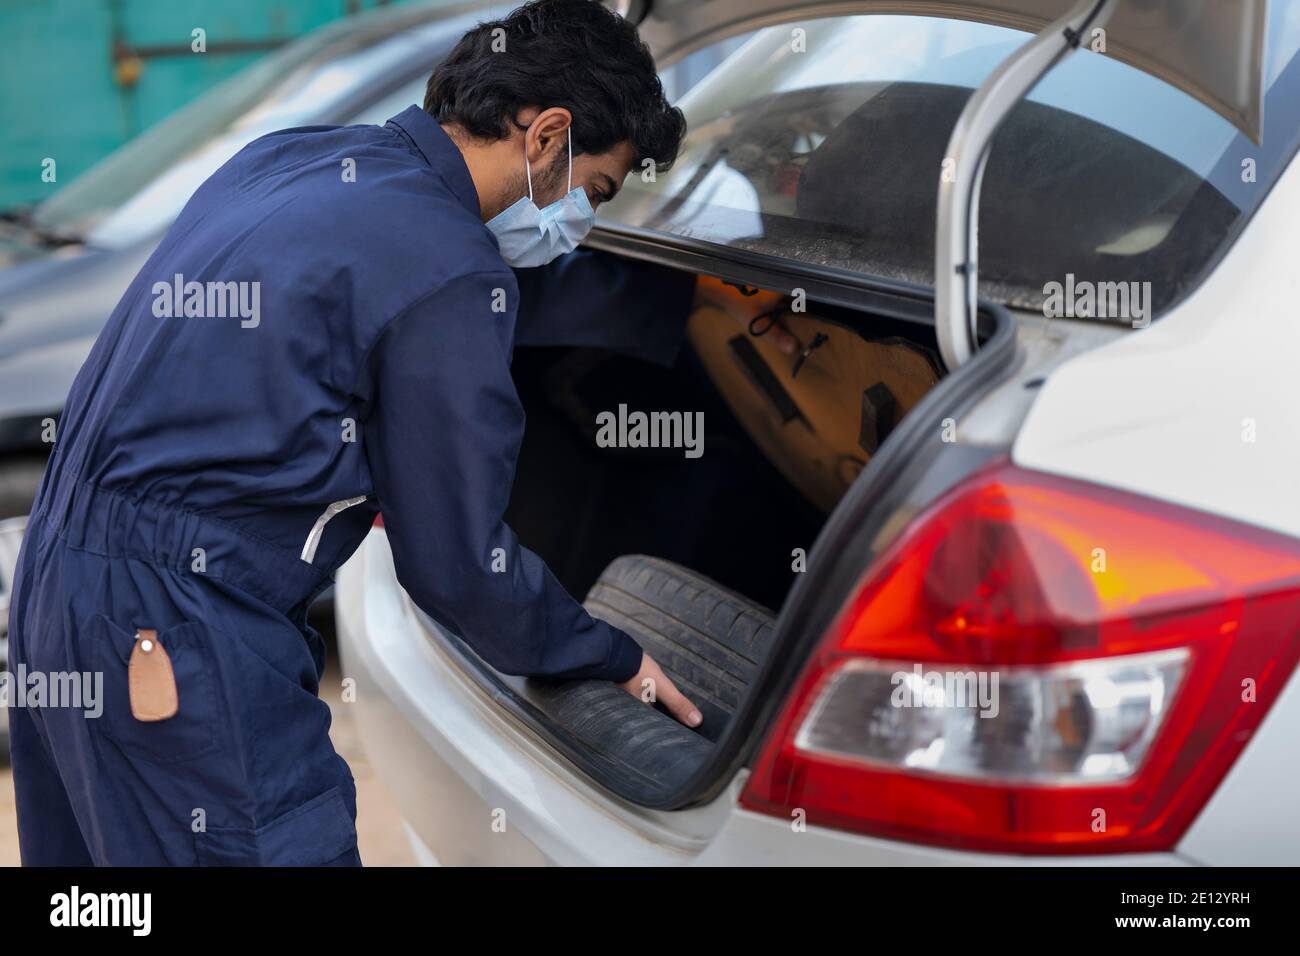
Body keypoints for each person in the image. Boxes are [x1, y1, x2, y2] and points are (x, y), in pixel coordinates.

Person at [6, 0, 783, 866]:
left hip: (58, 586)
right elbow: (458, 567)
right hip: (180, 627)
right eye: (594, 190)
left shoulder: (292, 159)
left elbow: (349, 293)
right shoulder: (446, 268)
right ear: (548, 134)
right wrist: (610, 654)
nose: (581, 226)